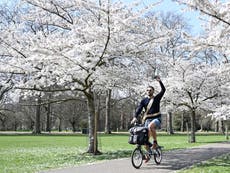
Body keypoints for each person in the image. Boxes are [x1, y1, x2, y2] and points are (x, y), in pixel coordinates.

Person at [131, 75, 166, 163]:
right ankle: (149, 153)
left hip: (156, 119)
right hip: (147, 120)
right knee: (144, 139)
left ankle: (155, 142)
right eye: (147, 90)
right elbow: (139, 109)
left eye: (150, 90)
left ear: (153, 91)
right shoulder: (143, 101)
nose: (148, 91)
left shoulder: (157, 98)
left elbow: (163, 90)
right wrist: (135, 117)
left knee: (151, 126)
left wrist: (159, 81)